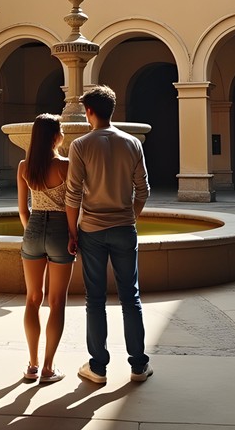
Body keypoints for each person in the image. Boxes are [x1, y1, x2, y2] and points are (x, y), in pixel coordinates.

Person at [65, 85, 152, 384]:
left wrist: (71, 232)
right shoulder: (132, 143)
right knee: (131, 298)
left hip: (91, 230)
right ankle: (139, 365)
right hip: (124, 229)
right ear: (112, 110)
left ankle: (98, 368)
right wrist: (130, 216)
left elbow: (72, 194)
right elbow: (143, 190)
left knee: (95, 299)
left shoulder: (80, 145)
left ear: (89, 112)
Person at [17, 113, 75, 384]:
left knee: (32, 299)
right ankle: (49, 368)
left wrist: (32, 230)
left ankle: (32, 365)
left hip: (34, 227)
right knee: (56, 301)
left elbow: (22, 209)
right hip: (60, 229)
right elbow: (75, 206)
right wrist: (73, 234)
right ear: (55, 135)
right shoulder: (65, 166)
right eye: (60, 129)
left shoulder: (23, 167)